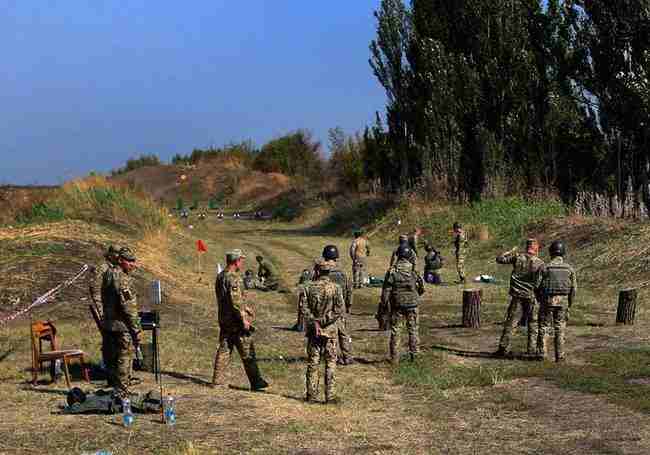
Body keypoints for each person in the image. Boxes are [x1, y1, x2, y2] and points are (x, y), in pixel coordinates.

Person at [212, 249, 269, 390]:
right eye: (241, 260)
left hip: (224, 319)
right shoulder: (234, 278)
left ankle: (218, 382)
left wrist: (246, 307)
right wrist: (244, 318)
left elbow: (228, 298)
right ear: (237, 261)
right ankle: (256, 381)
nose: (242, 262)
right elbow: (235, 301)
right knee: (248, 351)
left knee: (224, 349)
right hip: (236, 321)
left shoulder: (220, 276)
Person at [302, 258, 345, 404]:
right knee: (331, 362)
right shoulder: (336, 288)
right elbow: (339, 309)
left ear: (318, 271)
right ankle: (330, 396)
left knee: (313, 362)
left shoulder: (308, 288)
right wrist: (324, 321)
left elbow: (304, 309)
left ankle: (311, 395)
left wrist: (314, 322)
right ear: (329, 272)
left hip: (314, 332)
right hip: (330, 331)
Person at [101, 247, 142, 400]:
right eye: (129, 261)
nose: (133, 265)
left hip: (109, 323)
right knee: (124, 358)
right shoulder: (123, 278)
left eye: (134, 261)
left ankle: (115, 389)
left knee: (112, 358)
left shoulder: (108, 274)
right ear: (120, 260)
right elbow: (128, 307)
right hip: (121, 325)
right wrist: (136, 328)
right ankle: (122, 392)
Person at [494, 239, 545, 357]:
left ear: (527, 247)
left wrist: (509, 251)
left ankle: (503, 348)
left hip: (517, 296)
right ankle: (531, 349)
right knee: (533, 323)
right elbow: (541, 282)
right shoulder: (540, 263)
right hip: (531, 296)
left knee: (511, 322)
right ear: (536, 248)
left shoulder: (517, 257)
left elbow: (499, 259)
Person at [381, 245, 425, 365]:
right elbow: (422, 288)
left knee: (396, 331)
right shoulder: (414, 271)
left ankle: (394, 358)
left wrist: (384, 305)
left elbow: (386, 290)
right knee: (413, 330)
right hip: (412, 305)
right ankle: (415, 356)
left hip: (397, 306)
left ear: (398, 255)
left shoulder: (392, 271)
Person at [537, 240, 577, 362]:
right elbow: (574, 289)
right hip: (563, 301)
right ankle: (560, 356)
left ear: (551, 253)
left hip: (547, 301)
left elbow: (537, 286)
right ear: (563, 253)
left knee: (544, 326)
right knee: (560, 328)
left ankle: (542, 354)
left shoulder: (544, 268)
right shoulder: (569, 269)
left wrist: (540, 299)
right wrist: (569, 303)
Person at [322, 244, 354, 365]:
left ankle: (328, 355)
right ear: (336, 257)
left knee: (326, 332)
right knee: (343, 333)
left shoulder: (322, 270)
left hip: (325, 307)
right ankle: (347, 357)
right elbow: (349, 290)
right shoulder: (343, 272)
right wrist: (348, 305)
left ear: (324, 256)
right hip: (340, 307)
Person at [89, 245, 118, 366]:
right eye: (117, 254)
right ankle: (108, 366)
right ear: (111, 254)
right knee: (109, 338)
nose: (119, 257)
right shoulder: (103, 268)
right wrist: (101, 310)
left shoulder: (116, 268)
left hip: (114, 309)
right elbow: (95, 289)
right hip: (106, 310)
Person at [292, 266, 315, 332]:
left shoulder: (303, 285)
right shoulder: (312, 283)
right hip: (309, 293)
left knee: (302, 309)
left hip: (304, 293)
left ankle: (302, 326)